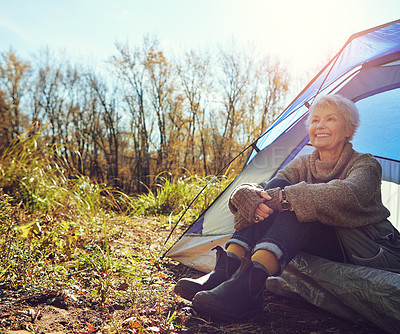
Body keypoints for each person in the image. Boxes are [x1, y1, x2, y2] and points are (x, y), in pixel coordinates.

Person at [174, 94, 400, 321]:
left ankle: (250, 285)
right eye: (315, 120)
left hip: (363, 248)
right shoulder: (303, 164)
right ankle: (227, 270)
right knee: (278, 188)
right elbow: (269, 187)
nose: (320, 125)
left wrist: (283, 199)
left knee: (298, 203)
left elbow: (348, 195)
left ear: (348, 129)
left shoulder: (365, 164)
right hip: (323, 240)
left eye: (330, 119)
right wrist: (245, 194)